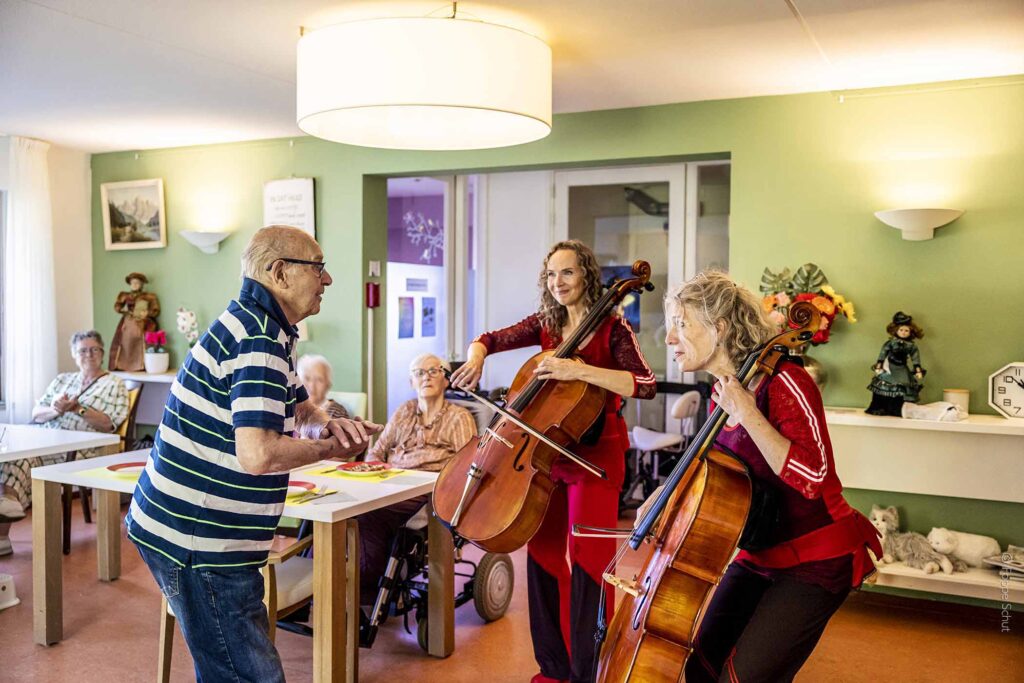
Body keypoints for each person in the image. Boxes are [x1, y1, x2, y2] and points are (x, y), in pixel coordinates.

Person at [125, 225, 381, 683]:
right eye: (318, 268)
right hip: (200, 541)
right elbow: (259, 455)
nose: (327, 279)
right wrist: (332, 450)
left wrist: (327, 424)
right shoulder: (258, 339)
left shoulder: (267, 328)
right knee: (247, 674)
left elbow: (297, 404)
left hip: (194, 531)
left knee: (229, 665)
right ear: (279, 273)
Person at [653, 270, 881, 683]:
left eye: (681, 324)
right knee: (700, 667)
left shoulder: (787, 382)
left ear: (720, 327)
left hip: (816, 559)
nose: (670, 338)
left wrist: (748, 413)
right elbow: (717, 477)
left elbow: (813, 477)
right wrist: (661, 500)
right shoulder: (723, 393)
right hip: (759, 553)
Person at [450, 239, 656, 683]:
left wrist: (577, 369)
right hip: (545, 454)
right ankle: (554, 667)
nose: (557, 282)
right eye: (550, 274)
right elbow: (490, 339)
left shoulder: (614, 329)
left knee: (588, 560)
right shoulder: (546, 324)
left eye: (567, 272)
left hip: (597, 455)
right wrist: (476, 356)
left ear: (586, 275)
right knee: (542, 553)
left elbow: (645, 383)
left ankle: (589, 670)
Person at [357, 352, 477, 606]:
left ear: (446, 380)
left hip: (428, 493)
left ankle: (365, 594)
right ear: (412, 382)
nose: (426, 377)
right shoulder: (404, 411)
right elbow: (377, 452)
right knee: (344, 509)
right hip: (390, 484)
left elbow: (467, 468)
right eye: (419, 373)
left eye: (434, 371)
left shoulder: (459, 417)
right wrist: (376, 472)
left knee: (369, 514)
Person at [0, 330, 128, 556]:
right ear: (74, 354)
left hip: (84, 448)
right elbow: (36, 412)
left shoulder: (114, 383)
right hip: (48, 440)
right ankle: (6, 509)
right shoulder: (62, 380)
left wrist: (79, 408)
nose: (89, 355)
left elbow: (110, 424)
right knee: (13, 455)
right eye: (83, 351)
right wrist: (56, 409)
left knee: (21, 459)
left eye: (94, 349)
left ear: (102, 352)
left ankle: (4, 522)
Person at [109, 272, 160, 371]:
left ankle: (141, 364)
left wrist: (147, 313)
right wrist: (124, 310)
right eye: (133, 283)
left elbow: (155, 310)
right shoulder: (125, 295)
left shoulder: (149, 296)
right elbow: (117, 306)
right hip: (129, 320)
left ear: (141, 284)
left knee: (142, 337)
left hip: (143, 321)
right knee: (126, 339)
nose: (135, 285)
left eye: (137, 283)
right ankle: (124, 364)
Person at [297, 353, 350, 419]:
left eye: (319, 380)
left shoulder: (336, 412)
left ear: (328, 385)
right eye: (307, 378)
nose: (312, 385)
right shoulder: (292, 409)